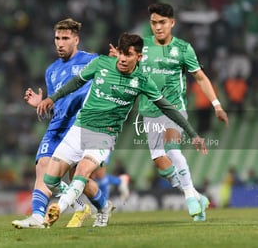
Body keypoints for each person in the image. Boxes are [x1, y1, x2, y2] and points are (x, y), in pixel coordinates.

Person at [37, 33, 207, 228]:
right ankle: (104, 207)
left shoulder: (142, 81)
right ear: (117, 52)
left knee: (81, 173)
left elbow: (168, 108)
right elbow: (76, 82)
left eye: (129, 54)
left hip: (104, 135)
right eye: (121, 53)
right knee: (50, 180)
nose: (124, 59)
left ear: (139, 57)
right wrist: (52, 98)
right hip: (79, 128)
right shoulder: (101, 64)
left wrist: (192, 134)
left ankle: (59, 207)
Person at [137, 3, 229, 221]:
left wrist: (216, 104)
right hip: (149, 110)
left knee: (172, 148)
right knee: (160, 163)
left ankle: (190, 197)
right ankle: (198, 195)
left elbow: (200, 77)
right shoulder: (142, 47)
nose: (158, 27)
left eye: (162, 22)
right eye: (153, 23)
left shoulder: (183, 48)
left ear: (172, 23)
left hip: (175, 108)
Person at [12, 18, 98, 229]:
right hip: (58, 125)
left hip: (81, 125)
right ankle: (38, 217)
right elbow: (57, 102)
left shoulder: (93, 60)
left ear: (76, 39)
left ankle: (96, 206)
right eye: (57, 38)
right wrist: (41, 104)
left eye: (65, 38)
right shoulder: (51, 70)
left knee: (76, 177)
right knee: (42, 166)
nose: (60, 43)